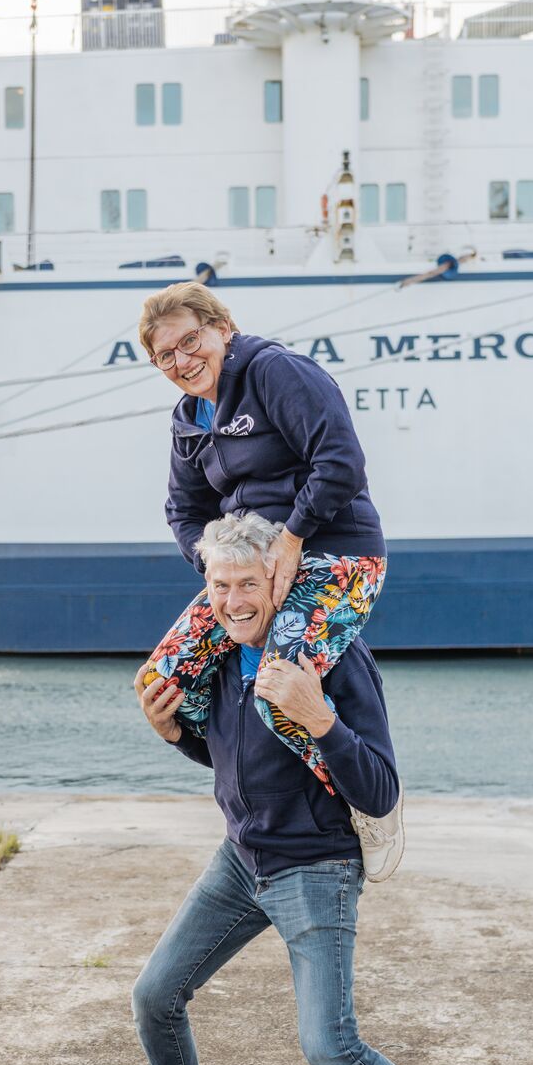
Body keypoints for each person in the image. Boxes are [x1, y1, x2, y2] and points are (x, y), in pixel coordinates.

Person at [116, 511, 486, 1065]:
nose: (233, 601)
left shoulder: (336, 659)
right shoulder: (222, 655)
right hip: (241, 861)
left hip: (316, 866)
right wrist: (173, 734)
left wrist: (322, 717)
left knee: (331, 1047)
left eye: (248, 583)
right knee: (154, 994)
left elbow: (378, 789)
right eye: (221, 585)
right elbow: (233, 760)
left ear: (279, 580)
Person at [132, 282, 402, 874]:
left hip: (335, 555)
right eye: (165, 356)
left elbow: (341, 461)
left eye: (190, 341)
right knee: (163, 681)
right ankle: (252, 785)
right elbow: (183, 510)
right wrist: (220, 570)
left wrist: (293, 536)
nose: (182, 361)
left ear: (222, 327)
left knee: (281, 695)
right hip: (252, 566)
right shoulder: (188, 420)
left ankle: (366, 806)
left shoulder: (277, 372)